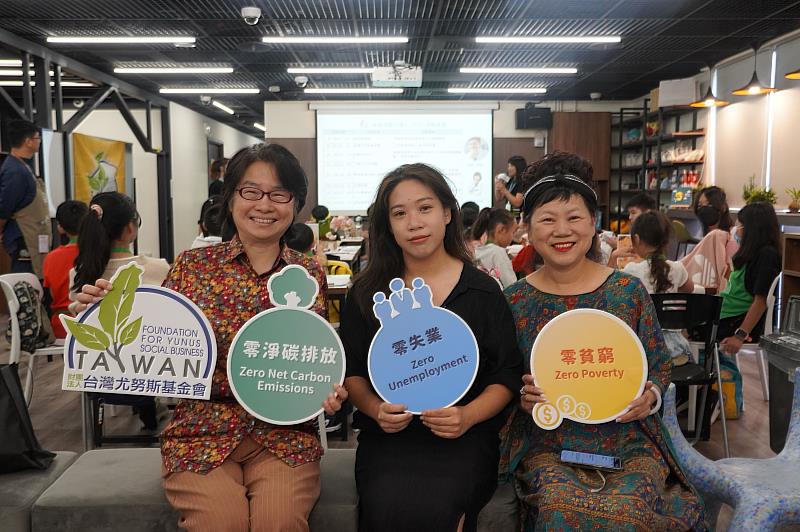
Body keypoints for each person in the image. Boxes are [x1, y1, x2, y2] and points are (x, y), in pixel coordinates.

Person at [75, 144, 347, 532]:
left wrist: (326, 389)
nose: (264, 205)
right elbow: (149, 340)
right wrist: (97, 317)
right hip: (200, 434)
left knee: (280, 523)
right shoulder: (192, 266)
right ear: (231, 196)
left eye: (279, 193)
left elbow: (315, 353)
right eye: (251, 191)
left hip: (283, 437)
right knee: (221, 523)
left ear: (295, 203)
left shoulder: (307, 272)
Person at [499, 151, 704, 530]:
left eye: (574, 217)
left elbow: (658, 364)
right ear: (527, 228)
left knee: (631, 510)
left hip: (626, 436)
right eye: (547, 219)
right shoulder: (513, 301)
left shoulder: (627, 291)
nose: (562, 231)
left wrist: (650, 396)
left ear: (593, 224)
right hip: (550, 441)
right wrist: (522, 397)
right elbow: (503, 380)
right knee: (559, 508)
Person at [340, 163, 521, 532]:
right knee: (385, 505)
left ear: (446, 213)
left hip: (465, 438)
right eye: (399, 213)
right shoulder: (364, 293)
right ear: (387, 224)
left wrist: (467, 416)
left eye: (425, 208)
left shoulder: (482, 291)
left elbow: (506, 374)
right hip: (390, 440)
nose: (414, 223)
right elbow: (353, 370)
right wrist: (375, 409)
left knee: (441, 506)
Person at [718, 201, 781, 354]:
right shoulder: (749, 254)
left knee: (683, 330)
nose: (735, 230)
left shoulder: (767, 256)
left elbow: (760, 301)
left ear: (752, 229)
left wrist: (740, 335)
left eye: (740, 226)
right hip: (724, 316)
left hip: (735, 322)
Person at [0, 119, 50, 275]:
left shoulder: (22, 166)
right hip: (23, 241)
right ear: (28, 141)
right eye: (37, 138)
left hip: (32, 238)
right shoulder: (15, 171)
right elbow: (3, 209)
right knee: (25, 283)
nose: (39, 142)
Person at [42, 200, 88, 338]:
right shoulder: (98, 253)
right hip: (91, 322)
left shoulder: (51, 258)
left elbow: (52, 294)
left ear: (60, 227)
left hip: (62, 325)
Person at [623, 210, 694, 294]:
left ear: (636, 239)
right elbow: (690, 289)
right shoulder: (678, 268)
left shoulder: (631, 271)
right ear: (665, 241)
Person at [472, 208, 517, 287]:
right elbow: (511, 285)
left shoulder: (476, 249)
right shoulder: (498, 252)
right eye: (513, 232)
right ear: (501, 229)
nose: (512, 237)